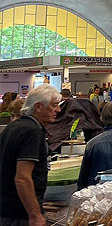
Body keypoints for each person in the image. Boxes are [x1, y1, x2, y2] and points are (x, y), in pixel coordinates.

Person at [0, 85, 60, 226]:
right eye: (54, 105)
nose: (58, 110)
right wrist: (35, 215)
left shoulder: (13, 127)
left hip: (6, 210)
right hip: (21, 215)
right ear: (38, 107)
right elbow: (22, 178)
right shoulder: (32, 132)